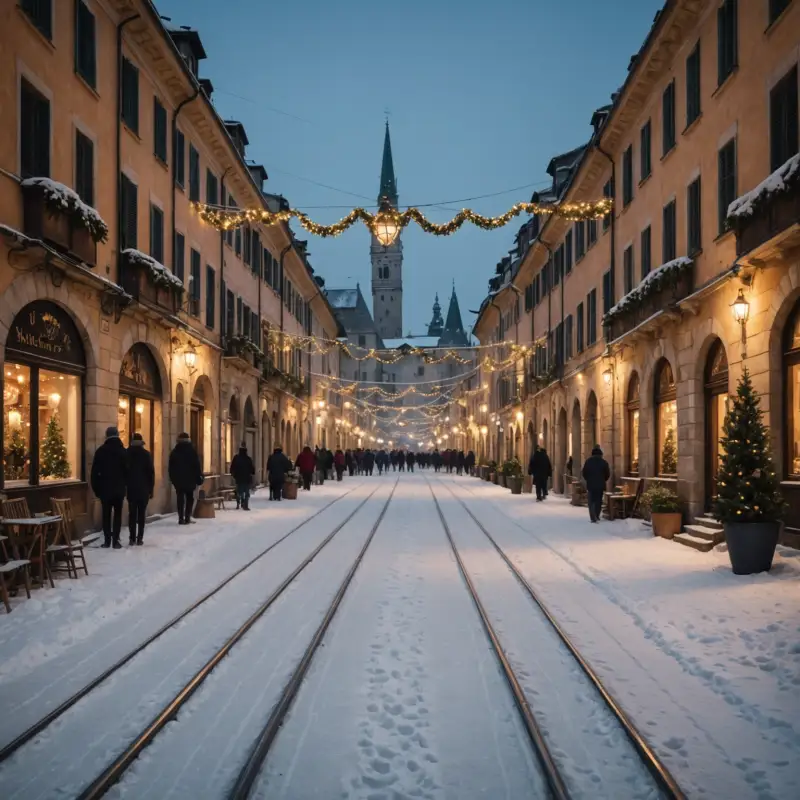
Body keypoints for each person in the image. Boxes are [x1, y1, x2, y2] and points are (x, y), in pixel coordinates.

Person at [91, 426, 128, 549]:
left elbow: (94, 473)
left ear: (106, 436)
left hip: (105, 489)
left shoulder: (101, 451)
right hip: (119, 489)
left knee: (106, 515)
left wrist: (97, 490)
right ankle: (115, 540)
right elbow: (128, 471)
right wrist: (125, 486)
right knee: (117, 515)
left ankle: (107, 540)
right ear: (117, 435)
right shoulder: (123, 451)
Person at [168, 432, 204, 524]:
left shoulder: (175, 452)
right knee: (189, 498)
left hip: (179, 480)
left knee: (180, 498)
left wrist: (173, 479)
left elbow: (171, 468)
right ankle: (187, 517)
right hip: (190, 479)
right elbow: (196, 466)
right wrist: (199, 476)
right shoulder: (192, 452)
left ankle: (181, 518)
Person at [126, 432, 154, 546]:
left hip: (131, 488)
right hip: (143, 488)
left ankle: (132, 537)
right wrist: (151, 489)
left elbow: (124, 471)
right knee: (141, 514)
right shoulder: (146, 454)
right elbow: (151, 473)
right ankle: (140, 538)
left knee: (132, 514)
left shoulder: (127, 453)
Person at [582, 445, 611, 523]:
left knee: (591, 501)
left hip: (591, 484)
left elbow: (584, 473)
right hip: (600, 485)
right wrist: (603, 480)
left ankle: (592, 516)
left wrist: (588, 479)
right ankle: (597, 515)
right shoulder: (604, 462)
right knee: (598, 500)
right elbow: (607, 474)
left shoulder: (588, 462)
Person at [230, 442, 255, 510]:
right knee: (246, 492)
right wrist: (251, 473)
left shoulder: (236, 458)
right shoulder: (248, 459)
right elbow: (252, 469)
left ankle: (239, 503)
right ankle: (245, 505)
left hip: (238, 478)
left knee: (239, 491)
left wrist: (233, 474)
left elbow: (232, 467)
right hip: (247, 479)